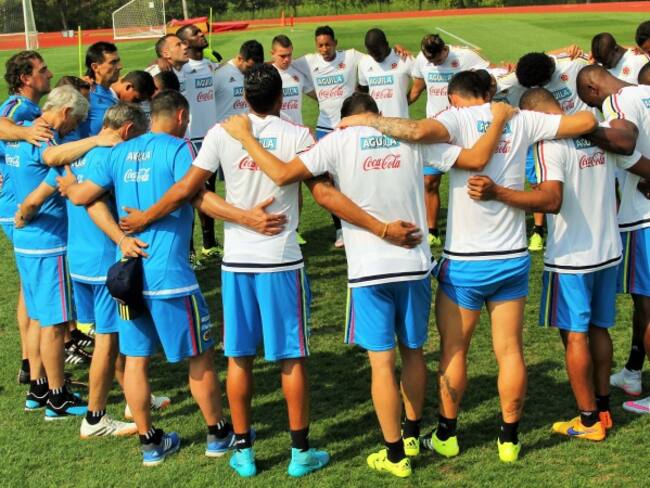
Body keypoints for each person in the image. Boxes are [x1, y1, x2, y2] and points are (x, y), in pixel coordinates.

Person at [219, 90, 515, 476]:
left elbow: (281, 174)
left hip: (368, 270)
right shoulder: (409, 138)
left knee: (381, 364)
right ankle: (412, 434)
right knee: (413, 353)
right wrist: (498, 121)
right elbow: (474, 159)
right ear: (377, 114)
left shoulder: (336, 142)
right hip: (413, 264)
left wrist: (246, 138)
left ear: (345, 119)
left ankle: (394, 456)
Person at [338, 70, 598, 462]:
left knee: (454, 350)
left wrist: (367, 120)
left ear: (454, 97)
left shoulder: (456, 118)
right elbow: (587, 121)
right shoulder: (521, 119)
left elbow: (416, 130)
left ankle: (447, 435)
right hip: (512, 257)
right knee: (510, 351)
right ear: (488, 92)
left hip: (466, 263)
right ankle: (509, 440)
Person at [56, 90, 239, 466]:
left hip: (128, 276)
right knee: (199, 356)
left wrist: (117, 234)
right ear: (182, 116)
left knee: (136, 360)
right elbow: (190, 194)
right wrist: (245, 217)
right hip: (170, 276)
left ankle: (150, 443)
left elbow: (85, 198)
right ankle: (218, 434)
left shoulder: (119, 152)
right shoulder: (179, 148)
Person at [467, 86, 650, 441]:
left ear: (535, 116)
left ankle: (588, 420)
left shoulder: (548, 145)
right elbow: (637, 162)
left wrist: (497, 192)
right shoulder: (599, 133)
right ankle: (603, 409)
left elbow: (551, 201)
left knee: (575, 335)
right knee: (599, 330)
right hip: (608, 251)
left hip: (571, 258)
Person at [15, 102, 171, 437]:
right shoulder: (113, 156)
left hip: (78, 262)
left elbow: (36, 197)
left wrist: (23, 216)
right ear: (128, 130)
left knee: (108, 333)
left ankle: (133, 398)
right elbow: (94, 203)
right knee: (107, 340)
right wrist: (121, 237)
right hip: (105, 264)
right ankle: (95, 417)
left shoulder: (73, 156)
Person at [4, 85, 92, 419]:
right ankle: (57, 396)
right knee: (55, 323)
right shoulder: (45, 140)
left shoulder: (19, 135)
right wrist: (100, 140)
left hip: (26, 240)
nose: (74, 128)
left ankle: (38, 387)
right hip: (49, 241)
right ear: (66, 112)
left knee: (38, 317)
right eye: (76, 121)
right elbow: (56, 160)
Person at [577, 64, 650, 413]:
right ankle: (633, 371)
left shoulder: (617, 100)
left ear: (593, 90)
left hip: (643, 219)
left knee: (648, 308)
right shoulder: (646, 92)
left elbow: (623, 141)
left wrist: (585, 128)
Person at [498, 48, 595, 253]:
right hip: (541, 143)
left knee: (589, 184)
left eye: (542, 84)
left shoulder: (572, 64)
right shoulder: (515, 79)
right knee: (540, 186)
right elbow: (488, 82)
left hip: (580, 141)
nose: (539, 88)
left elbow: (599, 62)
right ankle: (538, 230)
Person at [0, 50, 53, 385]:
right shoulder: (17, 107)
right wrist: (25, 133)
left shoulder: (30, 109)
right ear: (25, 78)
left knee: (28, 288)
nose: (49, 74)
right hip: (16, 209)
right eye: (42, 70)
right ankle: (41, 372)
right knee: (36, 292)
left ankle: (30, 363)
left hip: (17, 206)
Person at [409, 34, 489, 247]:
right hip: (437, 130)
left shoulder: (465, 57)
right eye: (430, 61)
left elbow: (488, 76)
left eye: (437, 60)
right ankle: (432, 231)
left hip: (464, 129)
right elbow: (416, 89)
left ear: (445, 50)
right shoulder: (422, 60)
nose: (434, 64)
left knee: (471, 180)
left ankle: (476, 227)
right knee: (429, 182)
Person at [176, 23, 224, 259]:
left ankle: (209, 243)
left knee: (209, 192)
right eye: (195, 34)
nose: (201, 34)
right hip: (190, 140)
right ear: (185, 43)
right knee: (188, 196)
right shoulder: (181, 69)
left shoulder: (210, 64)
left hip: (210, 137)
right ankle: (189, 251)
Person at [79, 42, 122, 137]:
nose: (120, 66)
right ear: (95, 67)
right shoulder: (84, 95)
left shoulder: (110, 91)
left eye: (118, 61)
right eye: (113, 62)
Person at [213, 40, 263, 122]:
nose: (252, 72)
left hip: (246, 127)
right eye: (249, 67)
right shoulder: (219, 74)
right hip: (225, 128)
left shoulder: (256, 72)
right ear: (240, 58)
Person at [270, 34, 315, 126]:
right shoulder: (267, 75)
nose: (287, 59)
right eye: (282, 56)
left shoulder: (298, 72)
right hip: (276, 130)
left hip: (297, 130)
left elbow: (316, 95)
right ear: (272, 54)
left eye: (289, 55)